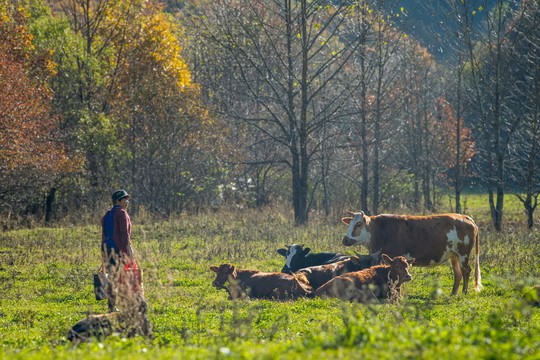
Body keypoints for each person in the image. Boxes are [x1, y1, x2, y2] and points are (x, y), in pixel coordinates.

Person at [101, 189, 135, 312]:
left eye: (127, 199)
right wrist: (129, 248)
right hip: (118, 250)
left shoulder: (107, 214)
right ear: (117, 201)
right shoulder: (122, 214)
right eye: (124, 199)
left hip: (107, 249)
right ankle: (123, 304)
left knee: (111, 277)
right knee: (119, 277)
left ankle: (111, 306)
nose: (127, 202)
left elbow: (104, 234)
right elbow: (124, 233)